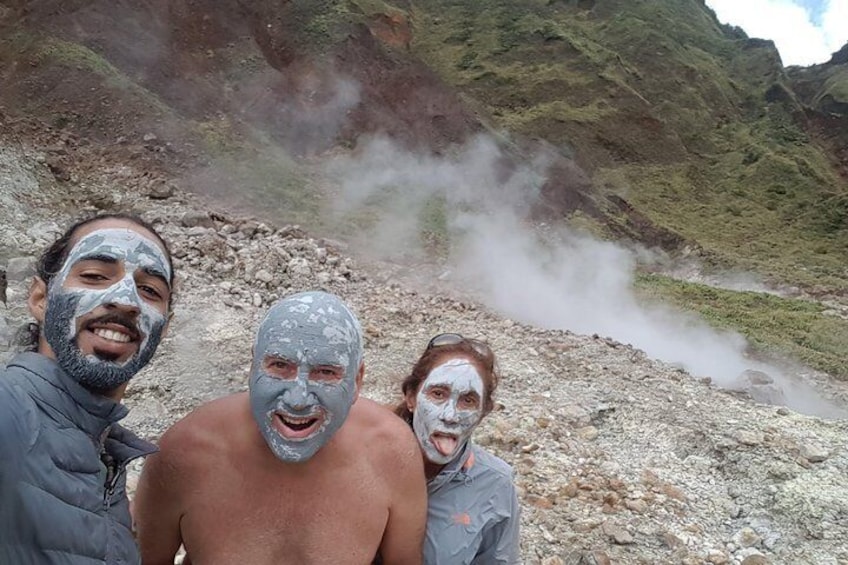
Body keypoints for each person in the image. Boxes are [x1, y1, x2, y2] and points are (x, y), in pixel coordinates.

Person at [134, 290, 427, 565]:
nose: (298, 400)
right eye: (279, 366)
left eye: (326, 373)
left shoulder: (391, 451)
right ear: (253, 366)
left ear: (357, 381)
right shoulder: (186, 450)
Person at [0, 213, 175, 564]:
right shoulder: (9, 412)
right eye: (94, 276)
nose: (126, 300)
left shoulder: (105, 454)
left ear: (163, 331)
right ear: (40, 299)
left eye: (150, 290)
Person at [396, 333, 521, 565]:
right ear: (411, 397)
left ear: (483, 412)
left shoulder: (495, 484)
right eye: (438, 394)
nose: (450, 416)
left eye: (468, 400)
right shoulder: (365, 457)